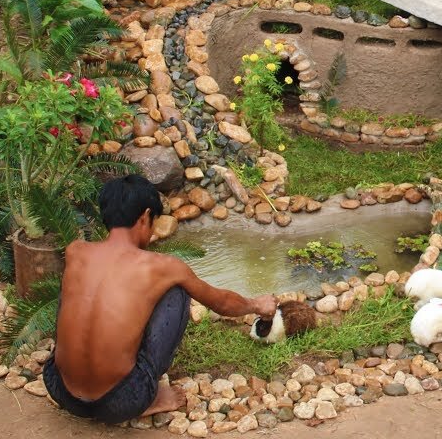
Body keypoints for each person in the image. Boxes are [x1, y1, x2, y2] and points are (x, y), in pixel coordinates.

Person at [42, 174, 276, 424]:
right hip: (122, 402)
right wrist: (256, 304)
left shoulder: (76, 252)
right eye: (153, 222)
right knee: (178, 289)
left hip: (61, 390)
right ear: (144, 217)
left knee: (79, 285)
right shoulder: (163, 267)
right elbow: (220, 302)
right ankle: (151, 397)